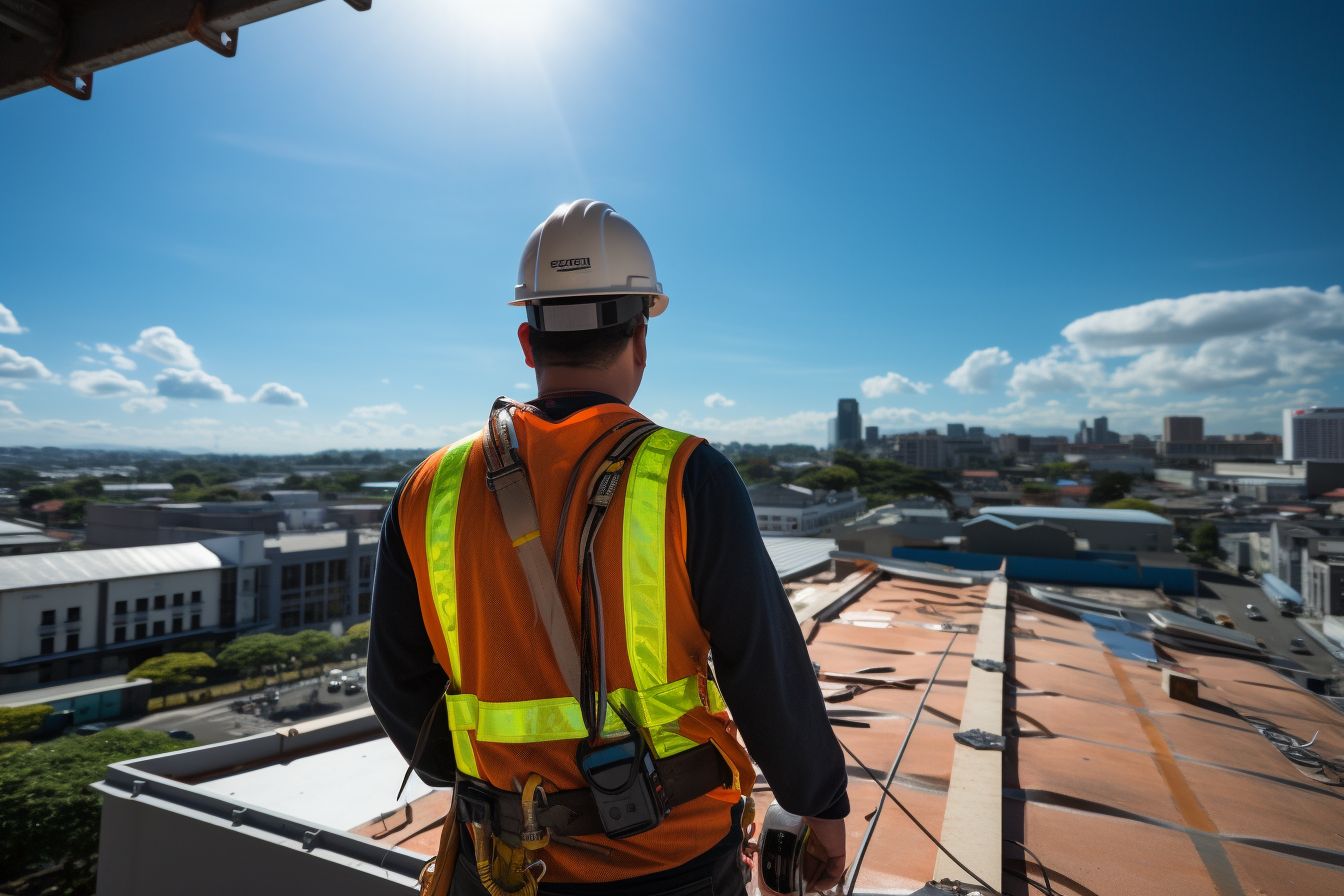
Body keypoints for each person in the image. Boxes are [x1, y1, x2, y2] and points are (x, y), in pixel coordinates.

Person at [368, 199, 848, 895]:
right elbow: (763, 667)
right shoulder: (689, 476)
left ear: (529, 343)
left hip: (500, 862)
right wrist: (819, 802)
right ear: (641, 338)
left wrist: (498, 785)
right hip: (670, 858)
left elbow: (398, 690)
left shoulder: (427, 488)